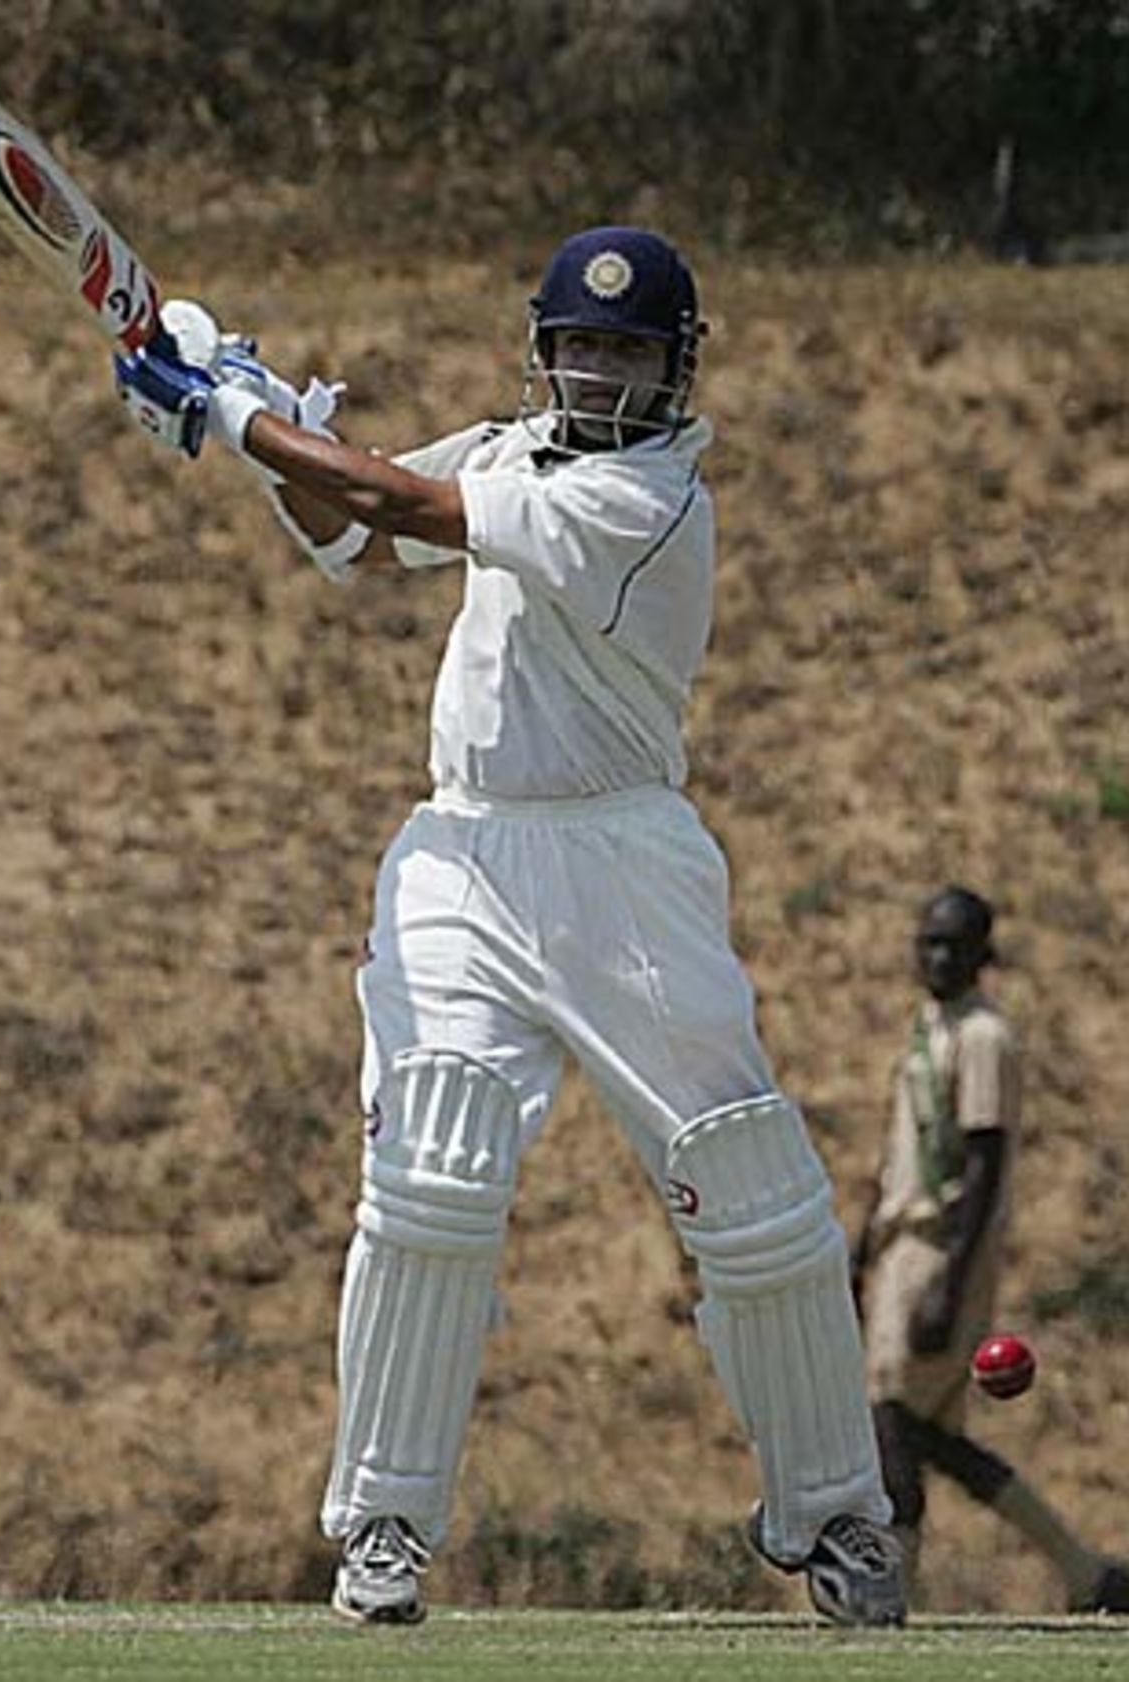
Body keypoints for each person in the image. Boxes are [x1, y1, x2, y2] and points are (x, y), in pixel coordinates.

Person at [114, 225, 905, 1627]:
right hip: (463, 849)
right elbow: (351, 532)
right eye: (580, 346)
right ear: (542, 350)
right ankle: (384, 1532)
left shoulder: (654, 499)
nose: (598, 374)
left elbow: (409, 509)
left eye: (627, 353)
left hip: (625, 859)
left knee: (753, 1193)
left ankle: (839, 1515)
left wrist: (230, 413)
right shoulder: (509, 445)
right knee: (428, 1171)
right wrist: (255, 421)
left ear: (675, 371)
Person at [852, 886, 1129, 1612]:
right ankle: (1088, 1575)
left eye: (953, 944)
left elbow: (984, 1162)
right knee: (930, 1438)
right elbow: (900, 1152)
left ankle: (894, 1596)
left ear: (983, 954)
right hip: (900, 1246)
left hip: (940, 1248)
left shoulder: (984, 1037)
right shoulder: (928, 1026)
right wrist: (860, 1249)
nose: (937, 956)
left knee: (890, 1422)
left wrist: (951, 1279)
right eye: (928, 941)